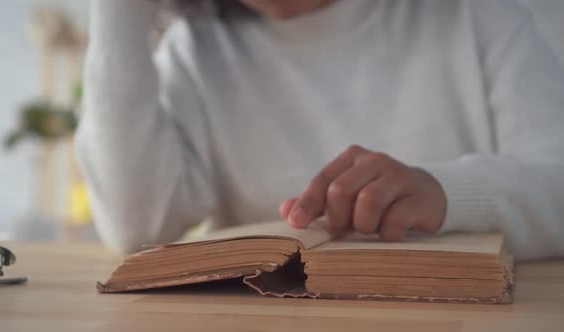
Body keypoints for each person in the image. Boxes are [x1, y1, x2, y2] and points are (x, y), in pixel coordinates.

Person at [77, 0, 564, 258]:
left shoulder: (476, 16)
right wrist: (117, 14)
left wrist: (446, 193)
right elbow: (134, 226)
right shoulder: (194, 51)